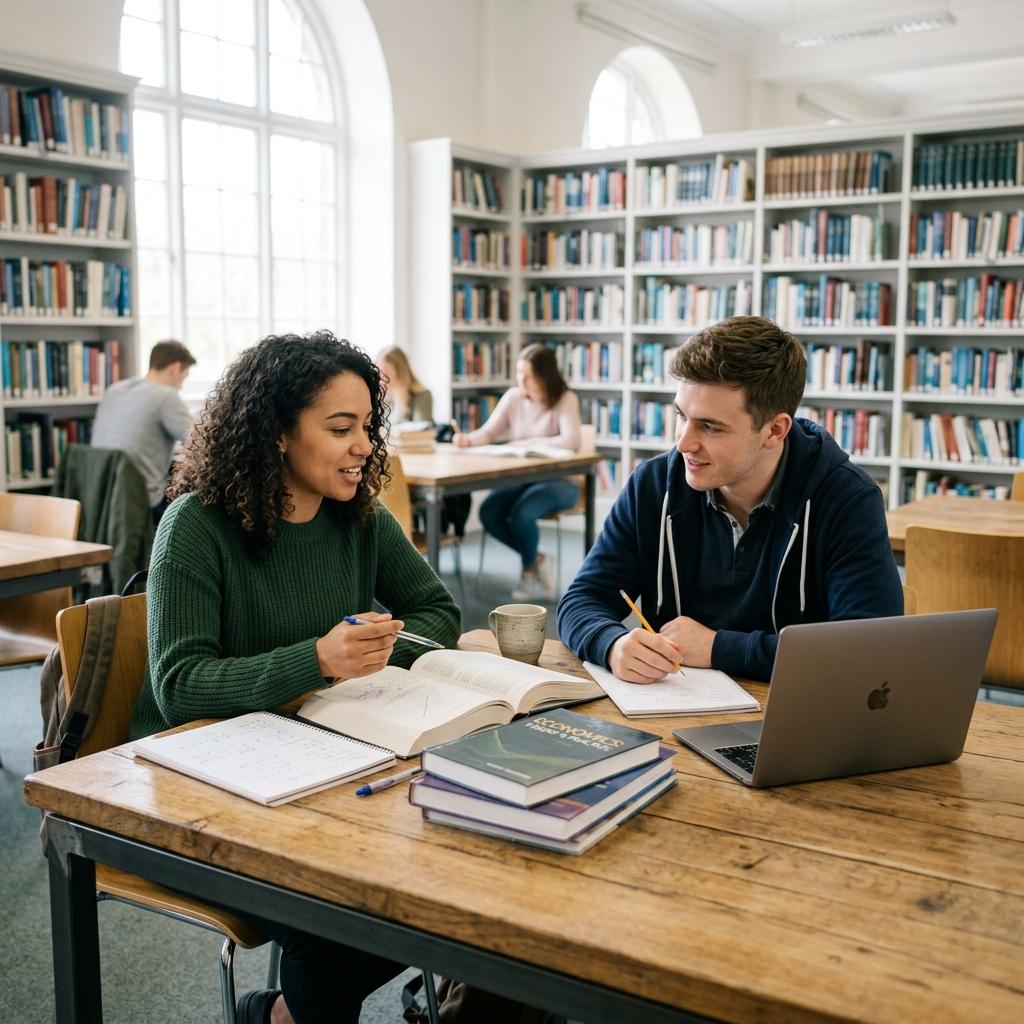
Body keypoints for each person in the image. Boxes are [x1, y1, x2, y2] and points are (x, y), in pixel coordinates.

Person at [128, 330, 461, 1024]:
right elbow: (180, 683)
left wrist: (366, 660)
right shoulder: (196, 526)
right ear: (279, 433)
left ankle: (277, 1015)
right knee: (330, 912)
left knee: (454, 874)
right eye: (341, 429)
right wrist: (317, 662)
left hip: (326, 760)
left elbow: (436, 610)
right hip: (206, 778)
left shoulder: (358, 517)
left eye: (367, 427)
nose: (364, 447)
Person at [557, 315, 902, 684]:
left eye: (710, 426)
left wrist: (718, 648)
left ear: (775, 430)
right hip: (671, 711)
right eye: (681, 416)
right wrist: (612, 643)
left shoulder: (847, 499)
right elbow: (581, 601)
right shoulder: (653, 486)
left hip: (794, 719)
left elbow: (866, 652)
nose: (683, 443)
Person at [453, 343, 581, 600]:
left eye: (528, 374)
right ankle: (538, 559)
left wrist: (530, 443)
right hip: (524, 479)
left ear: (545, 376)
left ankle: (527, 569)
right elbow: (490, 433)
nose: (521, 379)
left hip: (561, 481)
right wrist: (468, 439)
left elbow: (571, 441)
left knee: (522, 514)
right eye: (519, 372)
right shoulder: (513, 397)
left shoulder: (565, 399)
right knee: (489, 511)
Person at [90, 338, 196, 523]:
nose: (181, 385)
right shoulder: (166, 396)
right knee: (191, 510)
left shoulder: (115, 390)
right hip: (140, 499)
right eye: (184, 377)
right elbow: (200, 442)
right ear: (175, 368)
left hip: (101, 493)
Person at [376, 344, 433, 423]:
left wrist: (401, 407)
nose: (381, 378)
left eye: (386, 372)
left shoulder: (422, 395)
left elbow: (421, 430)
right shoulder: (381, 396)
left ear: (401, 372)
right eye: (379, 371)